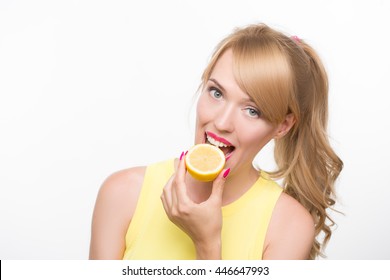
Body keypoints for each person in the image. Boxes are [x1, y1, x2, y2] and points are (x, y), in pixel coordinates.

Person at [89, 23, 343, 260]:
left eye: (252, 110)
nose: (222, 122)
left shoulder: (288, 225)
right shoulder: (123, 193)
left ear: (283, 125)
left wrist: (208, 244)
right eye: (217, 93)